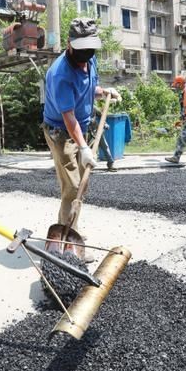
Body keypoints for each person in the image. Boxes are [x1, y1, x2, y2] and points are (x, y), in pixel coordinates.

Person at [43, 17, 121, 262]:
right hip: (61, 132)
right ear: (69, 43)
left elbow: (87, 89)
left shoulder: (88, 57)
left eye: (90, 48)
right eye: (82, 48)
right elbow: (68, 117)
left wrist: (103, 92)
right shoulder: (60, 74)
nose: (87, 53)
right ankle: (65, 241)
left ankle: (71, 231)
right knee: (74, 187)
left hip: (80, 128)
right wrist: (84, 147)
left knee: (81, 186)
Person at [89, 106, 117, 172]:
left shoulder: (93, 108)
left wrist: (105, 124)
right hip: (87, 132)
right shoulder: (79, 108)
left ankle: (111, 164)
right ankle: (89, 167)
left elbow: (102, 116)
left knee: (105, 146)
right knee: (90, 150)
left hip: (97, 131)